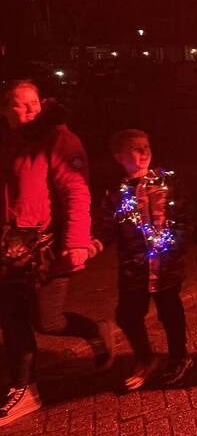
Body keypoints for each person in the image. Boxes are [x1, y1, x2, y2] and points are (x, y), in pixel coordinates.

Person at [1, 80, 108, 426]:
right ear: (6, 110)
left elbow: (76, 192)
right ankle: (23, 389)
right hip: (8, 246)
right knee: (11, 317)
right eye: (22, 105)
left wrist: (77, 242)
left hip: (47, 245)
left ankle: (94, 330)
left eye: (35, 103)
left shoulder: (59, 140)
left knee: (47, 320)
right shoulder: (7, 140)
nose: (32, 110)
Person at [91, 129, 191, 390]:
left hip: (166, 265)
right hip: (134, 268)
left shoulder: (166, 183)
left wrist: (176, 244)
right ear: (119, 157)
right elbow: (107, 227)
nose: (144, 152)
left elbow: (183, 216)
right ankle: (145, 358)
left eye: (146, 146)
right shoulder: (117, 193)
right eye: (136, 148)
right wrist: (95, 242)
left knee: (170, 312)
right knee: (127, 315)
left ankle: (179, 356)